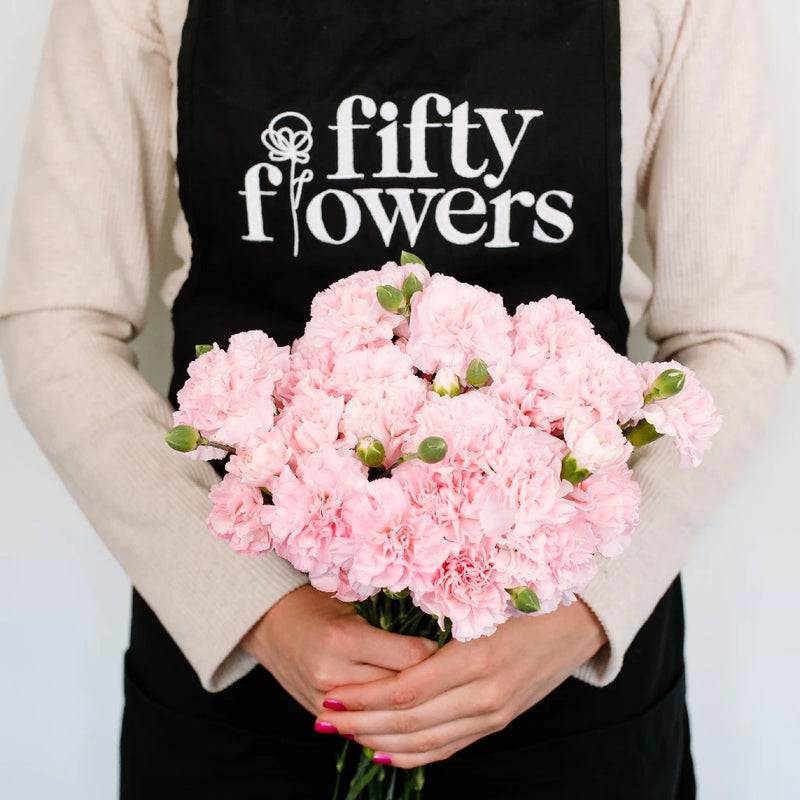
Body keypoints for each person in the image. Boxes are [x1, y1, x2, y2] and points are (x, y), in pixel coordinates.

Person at [0, 0, 792, 798]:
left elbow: (736, 336)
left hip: (571, 684)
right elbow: (56, 323)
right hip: (243, 676)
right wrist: (258, 613)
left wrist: (580, 616)